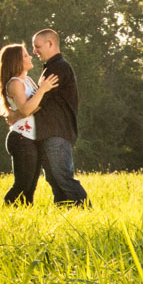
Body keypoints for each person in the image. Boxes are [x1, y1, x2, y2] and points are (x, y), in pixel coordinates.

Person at [30, 28, 89, 206]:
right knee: (55, 180)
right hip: (51, 133)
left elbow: (39, 102)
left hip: (57, 133)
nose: (34, 51)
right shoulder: (52, 67)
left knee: (63, 178)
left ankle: (88, 212)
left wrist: (19, 111)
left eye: (37, 46)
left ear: (50, 44)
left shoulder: (57, 68)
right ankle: (65, 214)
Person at [0, 42, 57, 205]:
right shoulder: (15, 83)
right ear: (16, 61)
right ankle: (5, 214)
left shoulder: (27, 80)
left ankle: (23, 218)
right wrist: (43, 90)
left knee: (30, 186)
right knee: (22, 184)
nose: (30, 57)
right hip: (21, 139)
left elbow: (36, 106)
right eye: (25, 55)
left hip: (31, 138)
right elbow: (28, 109)